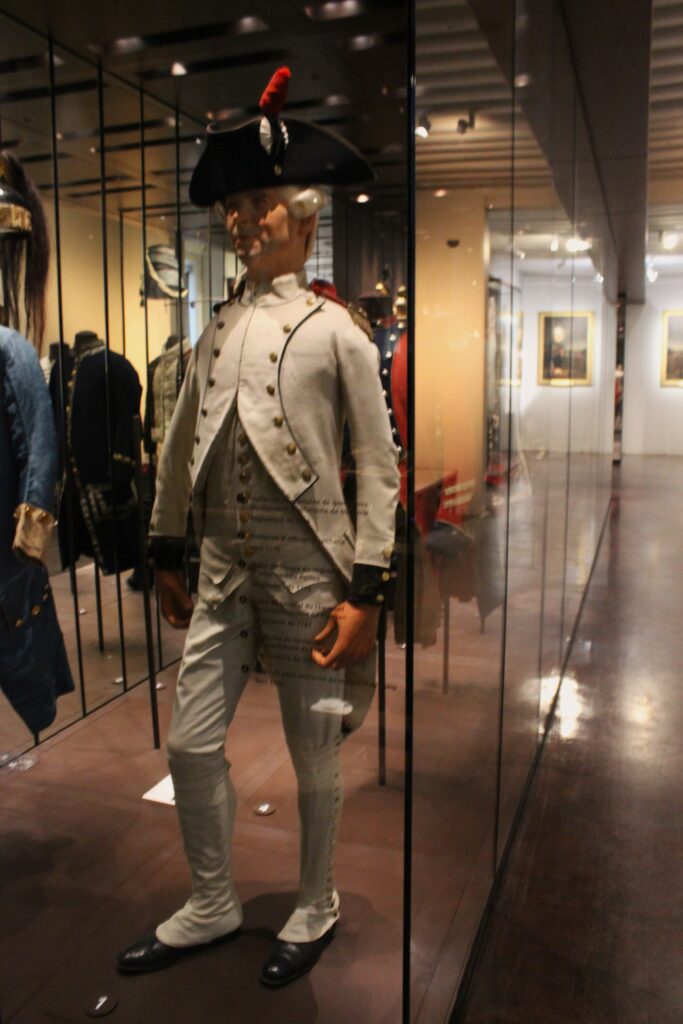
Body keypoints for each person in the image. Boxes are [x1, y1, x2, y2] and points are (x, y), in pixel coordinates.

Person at [117, 67, 399, 987]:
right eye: (232, 208)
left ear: (304, 216)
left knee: (314, 753)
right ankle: (212, 899)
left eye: (257, 205)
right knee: (190, 741)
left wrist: (368, 588)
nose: (240, 223)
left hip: (311, 573)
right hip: (225, 566)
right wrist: (165, 546)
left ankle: (315, 902)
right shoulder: (216, 329)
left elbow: (380, 471)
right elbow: (177, 448)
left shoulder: (340, 333)